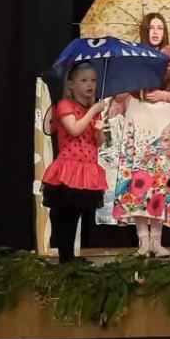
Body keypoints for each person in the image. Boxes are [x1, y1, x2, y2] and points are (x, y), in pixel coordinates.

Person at [111, 13, 170, 257]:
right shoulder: (134, 58)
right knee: (139, 178)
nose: (155, 32)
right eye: (151, 27)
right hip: (139, 118)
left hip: (162, 120)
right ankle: (142, 240)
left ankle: (157, 240)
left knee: (161, 179)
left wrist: (164, 95)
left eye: (160, 27)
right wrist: (133, 79)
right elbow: (119, 95)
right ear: (144, 31)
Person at [42, 62, 109, 263]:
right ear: (71, 84)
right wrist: (93, 110)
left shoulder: (92, 110)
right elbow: (74, 129)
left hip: (86, 169)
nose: (90, 85)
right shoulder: (65, 105)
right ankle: (65, 257)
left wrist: (99, 130)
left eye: (93, 80)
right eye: (84, 80)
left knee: (76, 214)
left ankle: (70, 256)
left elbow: (98, 142)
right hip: (69, 168)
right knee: (65, 215)